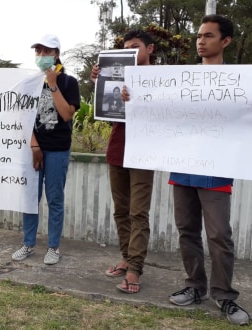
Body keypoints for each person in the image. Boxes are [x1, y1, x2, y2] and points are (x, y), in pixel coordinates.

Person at [166, 15, 252, 326]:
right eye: (198, 36)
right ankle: (195, 288)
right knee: (187, 231)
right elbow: (160, 110)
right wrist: (134, 99)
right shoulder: (182, 80)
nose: (200, 41)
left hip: (217, 170)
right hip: (183, 167)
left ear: (226, 41)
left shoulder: (241, 83)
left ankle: (224, 296)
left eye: (208, 35)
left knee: (220, 235)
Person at [91, 30, 156, 294]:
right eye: (126, 47)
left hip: (145, 151)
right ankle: (126, 257)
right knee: (121, 210)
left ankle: (134, 269)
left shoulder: (162, 79)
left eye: (135, 47)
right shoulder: (118, 73)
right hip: (118, 148)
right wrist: (98, 81)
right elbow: (107, 113)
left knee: (138, 212)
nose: (130, 51)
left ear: (149, 49)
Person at [11, 35, 80, 264]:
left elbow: (67, 114)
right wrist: (34, 145)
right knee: (30, 198)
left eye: (46, 52)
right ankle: (28, 243)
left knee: (55, 199)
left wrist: (52, 85)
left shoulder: (69, 82)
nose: (41, 56)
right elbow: (23, 117)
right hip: (34, 149)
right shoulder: (29, 83)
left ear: (56, 54)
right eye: (38, 52)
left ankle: (53, 247)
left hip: (58, 150)